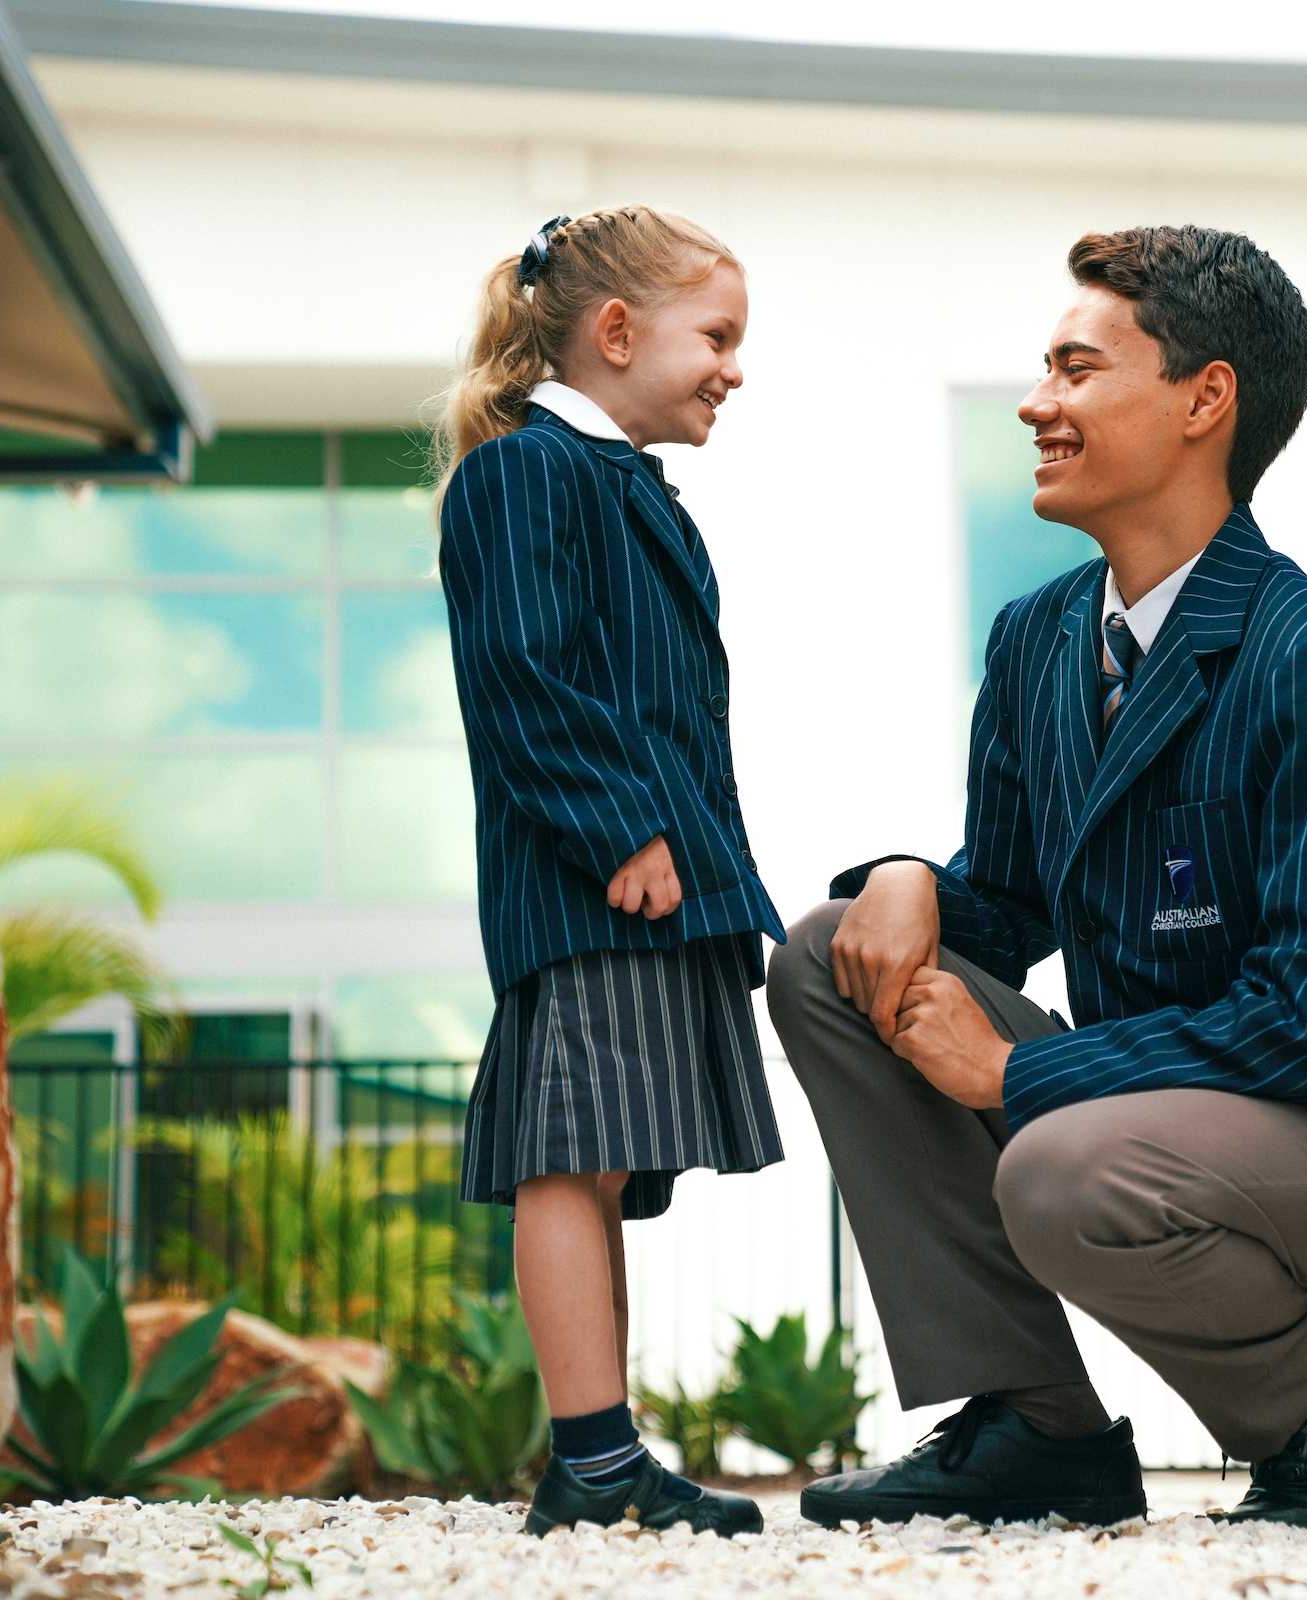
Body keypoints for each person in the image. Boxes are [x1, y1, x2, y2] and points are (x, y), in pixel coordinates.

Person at [767, 224, 1307, 1533]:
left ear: (1202, 400)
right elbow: (1004, 899)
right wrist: (903, 878)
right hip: (1153, 1116)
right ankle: (1034, 1427)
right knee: (831, 957)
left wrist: (1017, 1077)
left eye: (1076, 368)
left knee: (1058, 1165)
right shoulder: (1038, 638)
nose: (1036, 404)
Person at [435, 205, 786, 1536]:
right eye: (719, 337)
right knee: (569, 1166)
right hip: (601, 884)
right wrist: (619, 830)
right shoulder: (525, 476)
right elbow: (526, 669)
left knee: (596, 1165)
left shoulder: (620, 485)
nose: (733, 368)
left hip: (646, 880)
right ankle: (591, 1463)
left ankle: (604, 1452)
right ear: (617, 330)